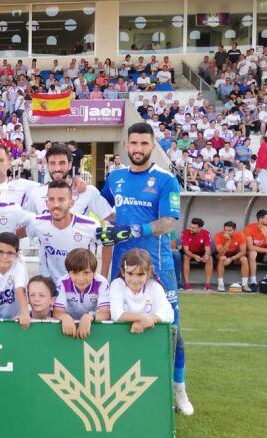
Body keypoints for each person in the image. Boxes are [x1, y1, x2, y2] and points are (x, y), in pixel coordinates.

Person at [96, 122, 192, 415]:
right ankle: (126, 386)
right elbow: (104, 211)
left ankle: (179, 388)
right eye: (133, 144)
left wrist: (133, 230)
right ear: (126, 146)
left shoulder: (165, 181)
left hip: (157, 267)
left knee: (172, 328)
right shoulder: (115, 178)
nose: (138, 149)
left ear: (152, 146)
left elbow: (168, 222)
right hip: (122, 269)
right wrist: (103, 226)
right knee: (118, 323)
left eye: (144, 144)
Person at [23, 179, 106, 286]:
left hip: (82, 286)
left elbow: (107, 244)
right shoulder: (38, 222)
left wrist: (103, 277)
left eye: (61, 199)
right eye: (51, 199)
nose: (56, 204)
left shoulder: (90, 225)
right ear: (47, 203)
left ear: (72, 203)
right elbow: (16, 235)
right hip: (52, 286)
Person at [109, 248, 174, 334]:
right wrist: (142, 318)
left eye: (140, 274)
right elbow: (116, 314)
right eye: (130, 273)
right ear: (123, 271)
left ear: (148, 272)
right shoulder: (117, 285)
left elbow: (169, 314)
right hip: (121, 337)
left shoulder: (155, 287)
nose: (135, 279)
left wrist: (146, 321)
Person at [54, 248, 110, 339]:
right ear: (68, 273)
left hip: (93, 324)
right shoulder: (63, 282)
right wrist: (65, 317)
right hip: (69, 326)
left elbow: (105, 312)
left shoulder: (101, 282)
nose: (81, 279)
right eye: (75, 273)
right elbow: (57, 312)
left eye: (86, 273)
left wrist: (89, 316)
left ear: (94, 272)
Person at [0, 232, 30, 328]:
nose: (4, 256)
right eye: (0, 252)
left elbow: (20, 290)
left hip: (14, 319)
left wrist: (25, 314)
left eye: (10, 253)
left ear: (17, 255)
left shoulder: (19, 267)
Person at [245, 209, 267, 288]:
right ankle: (253, 281)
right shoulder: (249, 228)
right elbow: (250, 247)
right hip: (253, 253)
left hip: (265, 255)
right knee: (252, 253)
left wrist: (266, 234)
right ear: (260, 219)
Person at [214, 220, 248, 292]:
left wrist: (231, 259)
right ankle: (220, 284)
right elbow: (221, 253)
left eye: (229, 230)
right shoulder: (218, 235)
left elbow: (243, 252)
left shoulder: (241, 235)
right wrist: (227, 242)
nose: (227, 232)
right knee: (222, 258)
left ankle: (245, 284)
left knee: (244, 259)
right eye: (225, 230)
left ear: (234, 230)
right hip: (221, 254)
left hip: (234, 255)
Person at [180, 217, 213, 291]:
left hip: (200, 251)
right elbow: (186, 250)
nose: (191, 229)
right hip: (189, 252)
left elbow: (208, 249)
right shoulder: (185, 233)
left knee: (209, 259)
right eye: (190, 227)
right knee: (186, 257)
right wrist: (194, 256)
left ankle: (207, 284)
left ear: (200, 228)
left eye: (194, 228)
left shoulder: (206, 233)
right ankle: (187, 282)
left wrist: (206, 255)